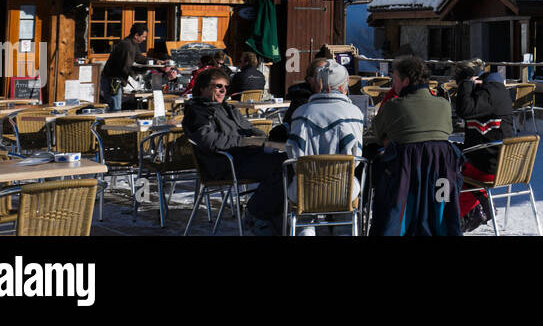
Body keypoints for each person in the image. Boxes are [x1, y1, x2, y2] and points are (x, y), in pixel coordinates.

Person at [182, 67, 287, 236]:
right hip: (223, 164)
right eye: (218, 86)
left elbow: (250, 128)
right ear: (202, 88)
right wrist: (245, 141)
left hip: (244, 157)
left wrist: (258, 137)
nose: (223, 90)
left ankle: (273, 216)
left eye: (225, 87)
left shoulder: (228, 109)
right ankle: (256, 213)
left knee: (289, 161)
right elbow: (209, 140)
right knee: (282, 168)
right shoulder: (197, 112)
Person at [366, 55, 460, 236]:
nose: (393, 86)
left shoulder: (394, 106)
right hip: (442, 172)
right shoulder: (443, 104)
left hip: (405, 172)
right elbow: (444, 133)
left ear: (406, 81)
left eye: (394, 80)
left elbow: (378, 134)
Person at [286, 59, 365, 228]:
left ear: (322, 85)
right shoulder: (354, 113)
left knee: (303, 206)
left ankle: (305, 229)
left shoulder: (301, 113)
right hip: (342, 190)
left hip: (305, 190)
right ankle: (342, 229)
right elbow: (356, 159)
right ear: (342, 86)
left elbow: (293, 154)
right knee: (348, 188)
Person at [453, 59, 514, 231]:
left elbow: (464, 110)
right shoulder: (493, 90)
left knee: (449, 166)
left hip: (491, 166)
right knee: (455, 155)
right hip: (500, 161)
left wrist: (466, 85)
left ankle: (464, 214)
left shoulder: (491, 92)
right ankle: (474, 208)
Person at [101, 23, 149, 111]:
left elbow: (139, 57)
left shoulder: (132, 44)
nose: (144, 39)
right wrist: (136, 75)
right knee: (115, 109)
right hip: (112, 81)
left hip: (114, 80)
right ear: (136, 35)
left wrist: (154, 61)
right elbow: (126, 67)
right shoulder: (127, 46)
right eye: (143, 36)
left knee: (116, 107)